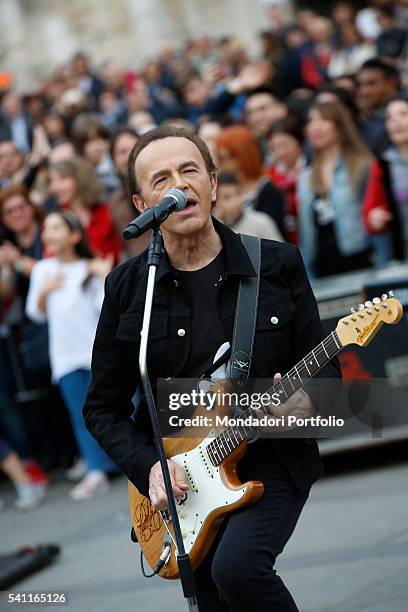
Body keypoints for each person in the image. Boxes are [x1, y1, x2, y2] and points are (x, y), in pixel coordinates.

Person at [83, 125, 341, 610]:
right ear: (142, 206)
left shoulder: (277, 263)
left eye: (189, 171)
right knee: (210, 595)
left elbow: (329, 376)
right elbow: (102, 408)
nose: (178, 186)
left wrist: (304, 405)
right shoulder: (127, 289)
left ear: (213, 183)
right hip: (180, 478)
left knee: (238, 569)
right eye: (161, 180)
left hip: (269, 459)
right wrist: (150, 468)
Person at [25, 211, 117, 500]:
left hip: (93, 353)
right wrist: (44, 292)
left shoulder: (87, 268)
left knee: (113, 408)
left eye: (56, 228)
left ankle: (120, 461)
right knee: (81, 416)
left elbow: (104, 309)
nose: (49, 234)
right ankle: (95, 468)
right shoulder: (43, 270)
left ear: (74, 236)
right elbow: (34, 313)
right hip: (64, 358)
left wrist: (103, 276)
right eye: (46, 228)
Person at [297, 101, 372, 278]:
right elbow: (306, 232)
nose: (316, 126)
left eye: (323, 119)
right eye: (311, 121)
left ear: (339, 125)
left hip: (360, 259)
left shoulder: (361, 165)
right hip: (322, 267)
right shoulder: (305, 177)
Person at [215, 124, 287, 237]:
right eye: (221, 158)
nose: (224, 163)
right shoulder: (223, 186)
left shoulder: (268, 190)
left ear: (243, 155)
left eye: (228, 157)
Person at [362, 96, 408, 263]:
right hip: (402, 256)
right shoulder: (382, 165)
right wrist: (375, 218)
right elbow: (369, 216)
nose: (396, 121)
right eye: (390, 118)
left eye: (403, 114)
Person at [49, 157, 121, 262]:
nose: (55, 187)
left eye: (62, 179)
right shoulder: (58, 219)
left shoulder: (105, 211)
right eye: (53, 181)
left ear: (79, 179)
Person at [266, 115, 306, 244]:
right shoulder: (269, 175)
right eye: (275, 147)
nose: (280, 152)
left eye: (285, 145)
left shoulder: (311, 167)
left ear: (299, 141)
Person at [214, 172, 283, 241]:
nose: (235, 201)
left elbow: (281, 250)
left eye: (237, 194)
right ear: (216, 201)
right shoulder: (216, 231)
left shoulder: (261, 222)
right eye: (227, 197)